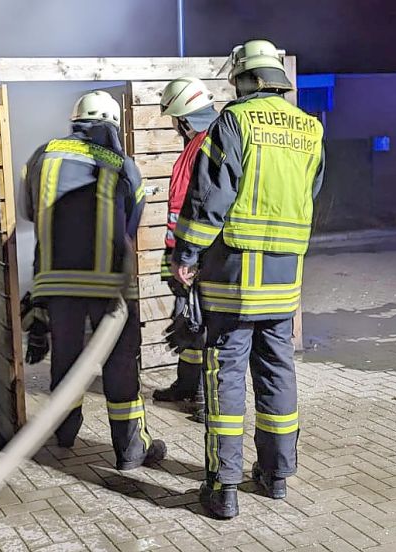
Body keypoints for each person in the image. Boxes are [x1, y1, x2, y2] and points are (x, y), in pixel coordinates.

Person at [170, 40, 325, 518]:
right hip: (284, 281)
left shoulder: (234, 122)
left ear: (247, 78)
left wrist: (187, 254)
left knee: (226, 379)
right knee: (279, 373)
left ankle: (224, 487)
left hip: (234, 279)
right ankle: (277, 476)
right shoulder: (311, 128)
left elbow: (211, 194)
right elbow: (312, 189)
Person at [21, 90, 167, 470]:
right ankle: (131, 451)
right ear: (113, 124)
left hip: (56, 282)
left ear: (75, 121)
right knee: (120, 364)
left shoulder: (42, 156)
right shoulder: (122, 163)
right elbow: (133, 219)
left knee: (66, 360)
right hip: (110, 285)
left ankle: (65, 433)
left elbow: (30, 211)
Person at [151, 77, 218, 423]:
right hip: (183, 253)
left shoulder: (208, 145)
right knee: (188, 323)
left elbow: (200, 204)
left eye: (175, 120)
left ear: (185, 118)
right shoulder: (198, 145)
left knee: (203, 326)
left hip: (197, 256)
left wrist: (188, 259)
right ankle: (187, 385)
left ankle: (209, 402)